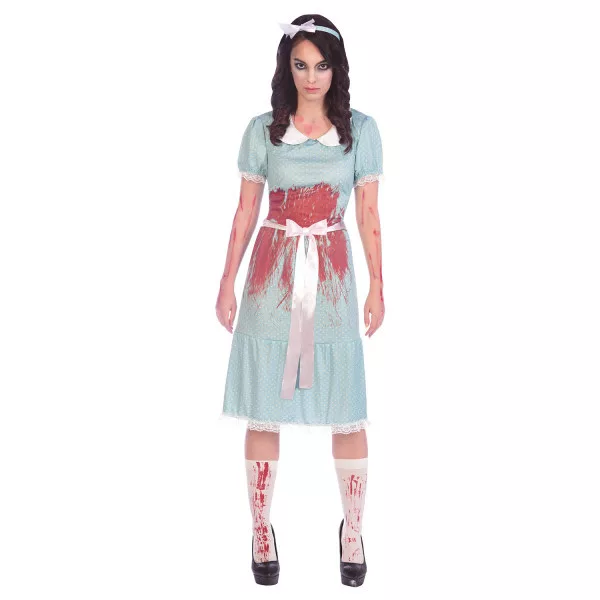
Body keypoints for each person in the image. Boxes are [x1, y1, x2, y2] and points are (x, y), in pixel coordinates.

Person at [215, 15, 384, 587]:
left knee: (346, 404)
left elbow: (368, 214)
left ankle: (353, 527)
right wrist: (226, 281)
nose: (312, 76)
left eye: (322, 65)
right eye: (301, 65)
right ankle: (260, 527)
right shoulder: (263, 131)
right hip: (271, 279)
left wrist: (379, 284)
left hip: (332, 281)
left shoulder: (361, 132)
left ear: (337, 68)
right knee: (264, 401)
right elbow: (245, 211)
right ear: (287, 68)